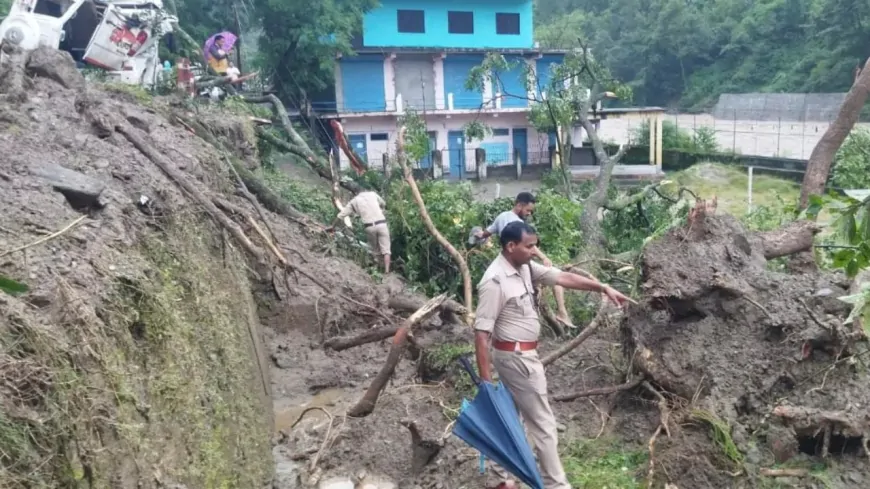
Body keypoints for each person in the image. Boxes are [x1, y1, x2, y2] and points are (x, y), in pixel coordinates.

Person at [474, 221, 629, 489]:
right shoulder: (495, 281)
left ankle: (503, 479)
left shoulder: (523, 267)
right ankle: (556, 485)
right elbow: (481, 334)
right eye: (530, 246)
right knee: (544, 425)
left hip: (521, 357)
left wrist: (603, 287)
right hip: (517, 360)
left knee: (510, 418)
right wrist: (486, 385)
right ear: (511, 246)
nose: (535, 251)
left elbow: (561, 277)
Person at [475, 192, 574, 328]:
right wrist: (543, 257)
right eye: (528, 210)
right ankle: (562, 313)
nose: (529, 214)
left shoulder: (501, 217)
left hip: (507, 261)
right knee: (557, 278)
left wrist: (477, 234)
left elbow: (486, 233)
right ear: (519, 205)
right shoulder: (517, 223)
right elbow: (530, 246)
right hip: (521, 262)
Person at [327, 191, 392, 273]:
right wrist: (380, 209)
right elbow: (383, 204)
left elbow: (341, 215)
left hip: (370, 227)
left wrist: (332, 226)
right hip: (382, 224)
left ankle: (377, 270)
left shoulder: (354, 201)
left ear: (356, 194)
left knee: (375, 251)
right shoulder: (372, 194)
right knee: (386, 251)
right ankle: (387, 271)